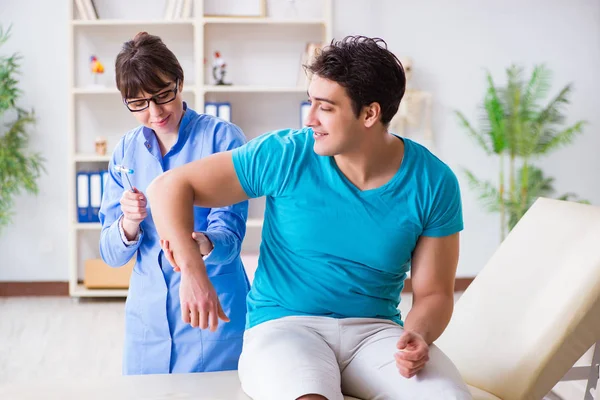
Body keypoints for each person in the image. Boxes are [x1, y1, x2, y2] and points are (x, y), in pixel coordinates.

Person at [149, 35, 472, 399]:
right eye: (310, 103)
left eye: (325, 107)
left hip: (375, 332)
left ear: (369, 113)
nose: (310, 119)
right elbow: (168, 187)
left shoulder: (432, 181)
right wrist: (192, 271)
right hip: (285, 328)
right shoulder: (287, 154)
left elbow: (434, 294)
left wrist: (417, 334)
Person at [98, 32, 250, 375]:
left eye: (163, 95)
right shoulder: (126, 150)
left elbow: (231, 237)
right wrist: (128, 223)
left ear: (179, 82)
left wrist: (199, 244)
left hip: (212, 313)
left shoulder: (223, 139)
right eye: (138, 103)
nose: (154, 113)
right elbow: (110, 253)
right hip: (147, 323)